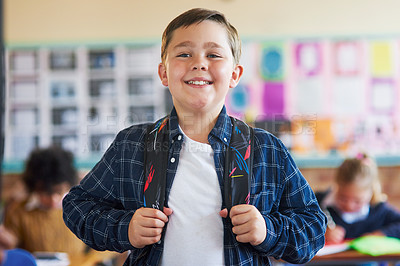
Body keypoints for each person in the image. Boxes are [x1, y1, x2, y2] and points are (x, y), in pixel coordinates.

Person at [62, 8, 326, 265]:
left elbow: (314, 230)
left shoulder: (267, 149)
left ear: (234, 75)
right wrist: (125, 229)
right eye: (185, 53)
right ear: (164, 73)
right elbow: (77, 206)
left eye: (213, 54)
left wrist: (268, 230)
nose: (199, 63)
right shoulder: (132, 145)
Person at [3, 146, 87, 256]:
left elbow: (105, 246)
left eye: (59, 191)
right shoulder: (19, 211)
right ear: (34, 188)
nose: (53, 199)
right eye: (46, 193)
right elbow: (9, 249)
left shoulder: (81, 208)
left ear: (68, 185)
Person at [317, 153, 400, 244]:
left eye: (358, 201)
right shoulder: (318, 203)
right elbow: (301, 228)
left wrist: (381, 234)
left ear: (371, 192)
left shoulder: (378, 208)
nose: (349, 206)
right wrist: (321, 233)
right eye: (343, 198)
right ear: (336, 186)